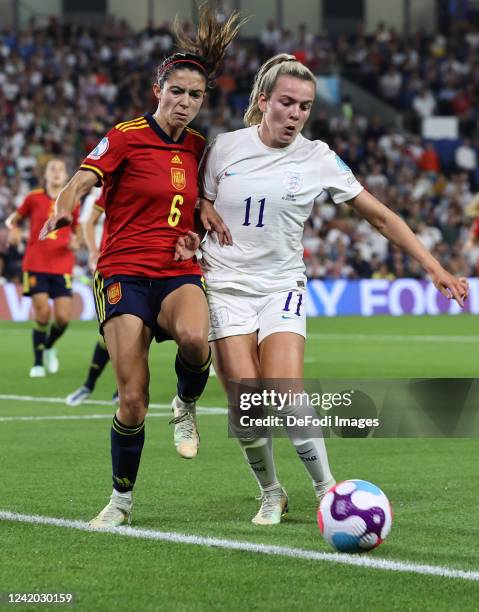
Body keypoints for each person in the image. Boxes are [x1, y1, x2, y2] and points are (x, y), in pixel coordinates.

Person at [176, 54, 469, 525]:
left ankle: (327, 489)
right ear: (264, 100)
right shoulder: (224, 148)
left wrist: (434, 267)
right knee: (247, 404)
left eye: (305, 107)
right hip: (226, 286)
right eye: (287, 103)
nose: (296, 115)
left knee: (286, 392)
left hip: (281, 286)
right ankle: (271, 492)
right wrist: (197, 220)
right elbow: (199, 206)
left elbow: (380, 216)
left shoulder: (318, 158)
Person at [40, 4, 244, 528]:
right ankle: (121, 500)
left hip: (177, 269)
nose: (185, 103)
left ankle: (186, 406)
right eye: (176, 91)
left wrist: (201, 209)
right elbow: (82, 180)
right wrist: (62, 210)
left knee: (199, 342)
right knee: (131, 398)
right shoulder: (126, 135)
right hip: (123, 272)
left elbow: (199, 194)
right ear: (158, 90)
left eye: (195, 95)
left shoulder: (199, 146)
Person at [6, 158, 80, 378]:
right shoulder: (33, 198)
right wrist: (14, 229)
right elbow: (13, 219)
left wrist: (77, 241)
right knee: (42, 314)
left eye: (60, 169)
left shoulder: (72, 201)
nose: (56, 172)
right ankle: (37, 363)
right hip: (36, 263)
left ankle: (48, 346)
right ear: (45, 175)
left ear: (66, 175)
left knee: (64, 318)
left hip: (63, 264)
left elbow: (76, 231)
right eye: (52, 169)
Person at [65, 189, 119, 406]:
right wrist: (94, 252)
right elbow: (88, 221)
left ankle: (122, 390)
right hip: (114, 268)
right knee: (111, 333)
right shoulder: (110, 192)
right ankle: (89, 385)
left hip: (153, 271)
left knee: (136, 336)